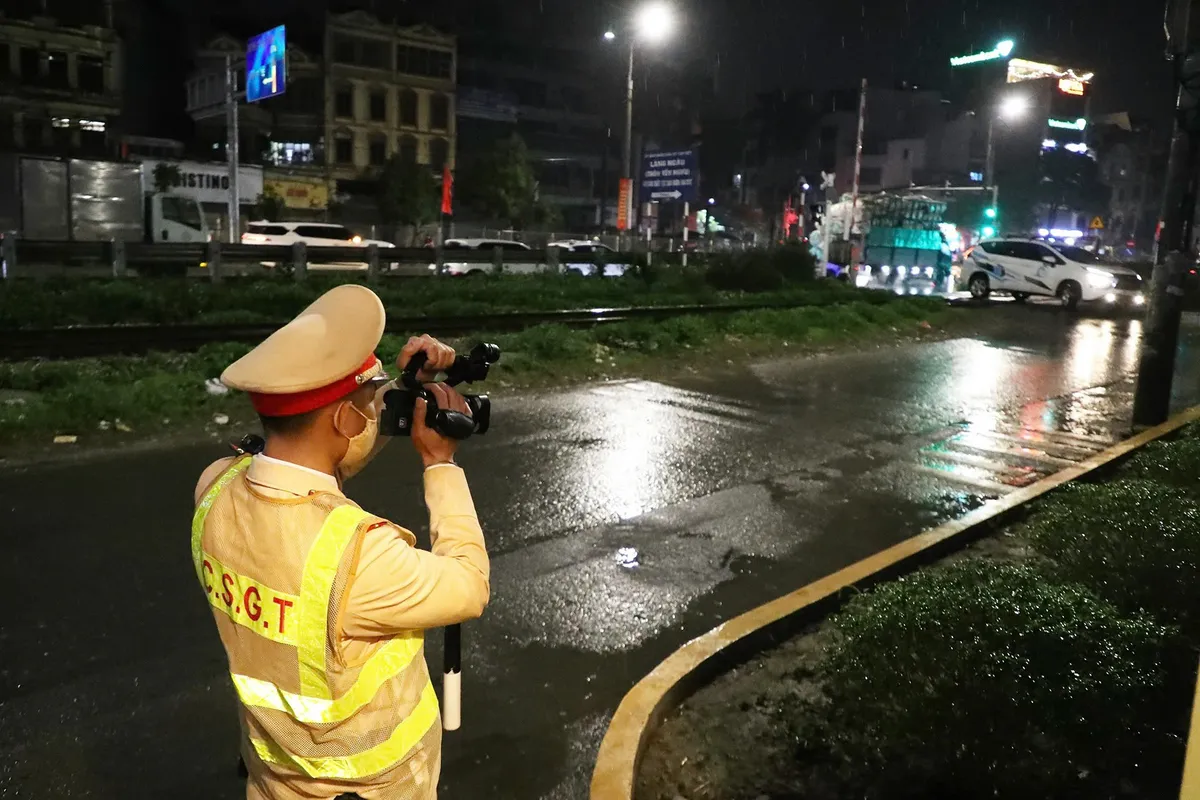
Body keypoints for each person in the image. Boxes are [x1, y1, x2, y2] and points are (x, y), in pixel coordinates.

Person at [191, 284, 490, 800]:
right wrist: (441, 463)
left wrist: (403, 387)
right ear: (345, 419)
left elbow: (314, 459)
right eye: (370, 403)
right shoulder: (358, 557)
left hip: (273, 781)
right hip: (372, 789)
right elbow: (469, 584)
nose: (375, 412)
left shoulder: (215, 488)